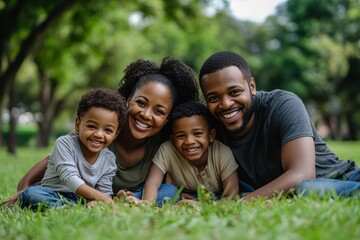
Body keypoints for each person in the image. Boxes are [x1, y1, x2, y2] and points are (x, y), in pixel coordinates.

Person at [5, 56, 200, 206]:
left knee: (167, 190)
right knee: (35, 194)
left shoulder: (162, 145)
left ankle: (125, 202)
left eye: (159, 112)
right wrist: (23, 192)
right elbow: (53, 161)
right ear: (128, 99)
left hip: (125, 197)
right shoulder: (100, 131)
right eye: (141, 103)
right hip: (80, 194)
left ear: (167, 119)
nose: (146, 115)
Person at [198, 50, 360, 201]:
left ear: (252, 87)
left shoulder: (283, 104)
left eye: (234, 92)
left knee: (306, 187)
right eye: (213, 98)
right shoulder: (210, 128)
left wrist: (240, 203)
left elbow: (302, 175)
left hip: (339, 179)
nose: (225, 104)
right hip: (286, 190)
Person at [18, 88, 126, 210]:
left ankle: (71, 208)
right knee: (31, 195)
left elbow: (104, 190)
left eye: (108, 130)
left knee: (96, 203)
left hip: (82, 198)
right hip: (53, 193)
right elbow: (70, 179)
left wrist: (102, 199)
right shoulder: (64, 143)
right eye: (91, 126)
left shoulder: (109, 159)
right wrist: (104, 199)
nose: (98, 134)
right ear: (78, 124)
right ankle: (74, 209)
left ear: (116, 134)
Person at [141, 100, 239, 205]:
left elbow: (231, 196)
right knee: (168, 192)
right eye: (181, 136)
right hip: (183, 195)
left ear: (211, 135)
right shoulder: (167, 150)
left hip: (216, 196)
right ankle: (132, 198)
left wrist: (198, 205)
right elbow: (152, 183)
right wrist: (146, 204)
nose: (189, 141)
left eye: (197, 134)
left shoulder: (222, 153)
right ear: (173, 139)